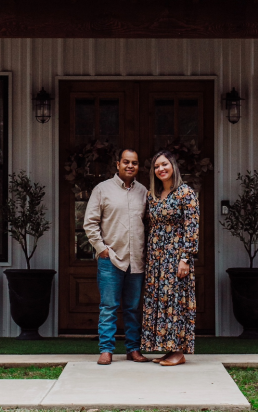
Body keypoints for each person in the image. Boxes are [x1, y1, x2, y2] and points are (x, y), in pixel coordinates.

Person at [84, 149, 151, 366]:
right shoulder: (102, 189)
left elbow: (150, 224)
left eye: (134, 162)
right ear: (118, 164)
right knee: (109, 306)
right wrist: (101, 248)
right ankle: (106, 350)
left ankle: (133, 349)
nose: (130, 166)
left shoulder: (144, 192)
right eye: (126, 162)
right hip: (110, 259)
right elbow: (90, 222)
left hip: (137, 260)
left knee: (133, 308)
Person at [141, 150, 199, 367]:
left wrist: (185, 258)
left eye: (164, 164)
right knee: (160, 302)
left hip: (176, 257)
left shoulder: (186, 193)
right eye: (156, 166)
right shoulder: (152, 195)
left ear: (173, 166)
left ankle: (179, 351)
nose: (161, 169)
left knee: (176, 301)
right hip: (156, 258)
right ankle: (167, 348)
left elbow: (192, 227)